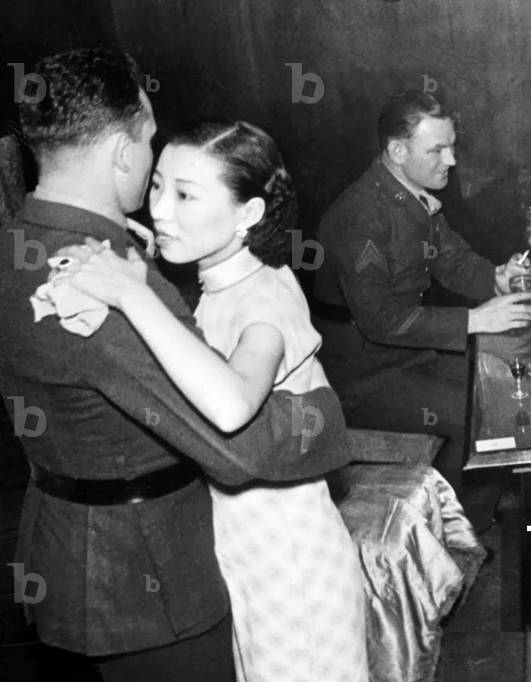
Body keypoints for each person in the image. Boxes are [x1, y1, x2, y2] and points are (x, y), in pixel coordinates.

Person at [0, 49, 348, 681]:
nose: (159, 204)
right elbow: (237, 443)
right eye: (154, 153)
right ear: (125, 153)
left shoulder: (22, 245)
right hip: (145, 571)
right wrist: (327, 419)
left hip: (77, 546)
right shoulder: (95, 275)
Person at [65, 121, 368, 681]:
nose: (160, 209)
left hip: (290, 564)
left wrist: (133, 293)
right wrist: (147, 278)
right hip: (251, 554)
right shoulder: (225, 281)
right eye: (157, 185)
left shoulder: (264, 301)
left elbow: (231, 406)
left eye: (185, 195)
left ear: (249, 215)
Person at [313, 89, 531, 498]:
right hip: (363, 376)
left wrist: (496, 278)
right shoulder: (361, 217)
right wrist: (475, 320)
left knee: (505, 383)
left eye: (452, 147)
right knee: (482, 411)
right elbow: (380, 320)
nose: (450, 161)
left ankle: (470, 518)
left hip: (409, 353)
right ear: (398, 150)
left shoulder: (411, 197)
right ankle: (454, 533)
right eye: (437, 150)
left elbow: (452, 261)